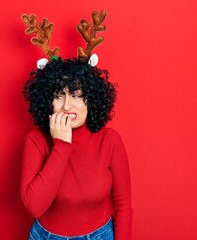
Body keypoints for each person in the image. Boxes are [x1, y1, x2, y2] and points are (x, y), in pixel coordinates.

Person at [21, 58, 132, 240]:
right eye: (58, 96)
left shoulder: (109, 140)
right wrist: (61, 146)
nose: (66, 106)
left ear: (90, 99)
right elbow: (34, 207)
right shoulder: (36, 140)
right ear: (48, 102)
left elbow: (123, 204)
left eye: (75, 95)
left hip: (100, 236)